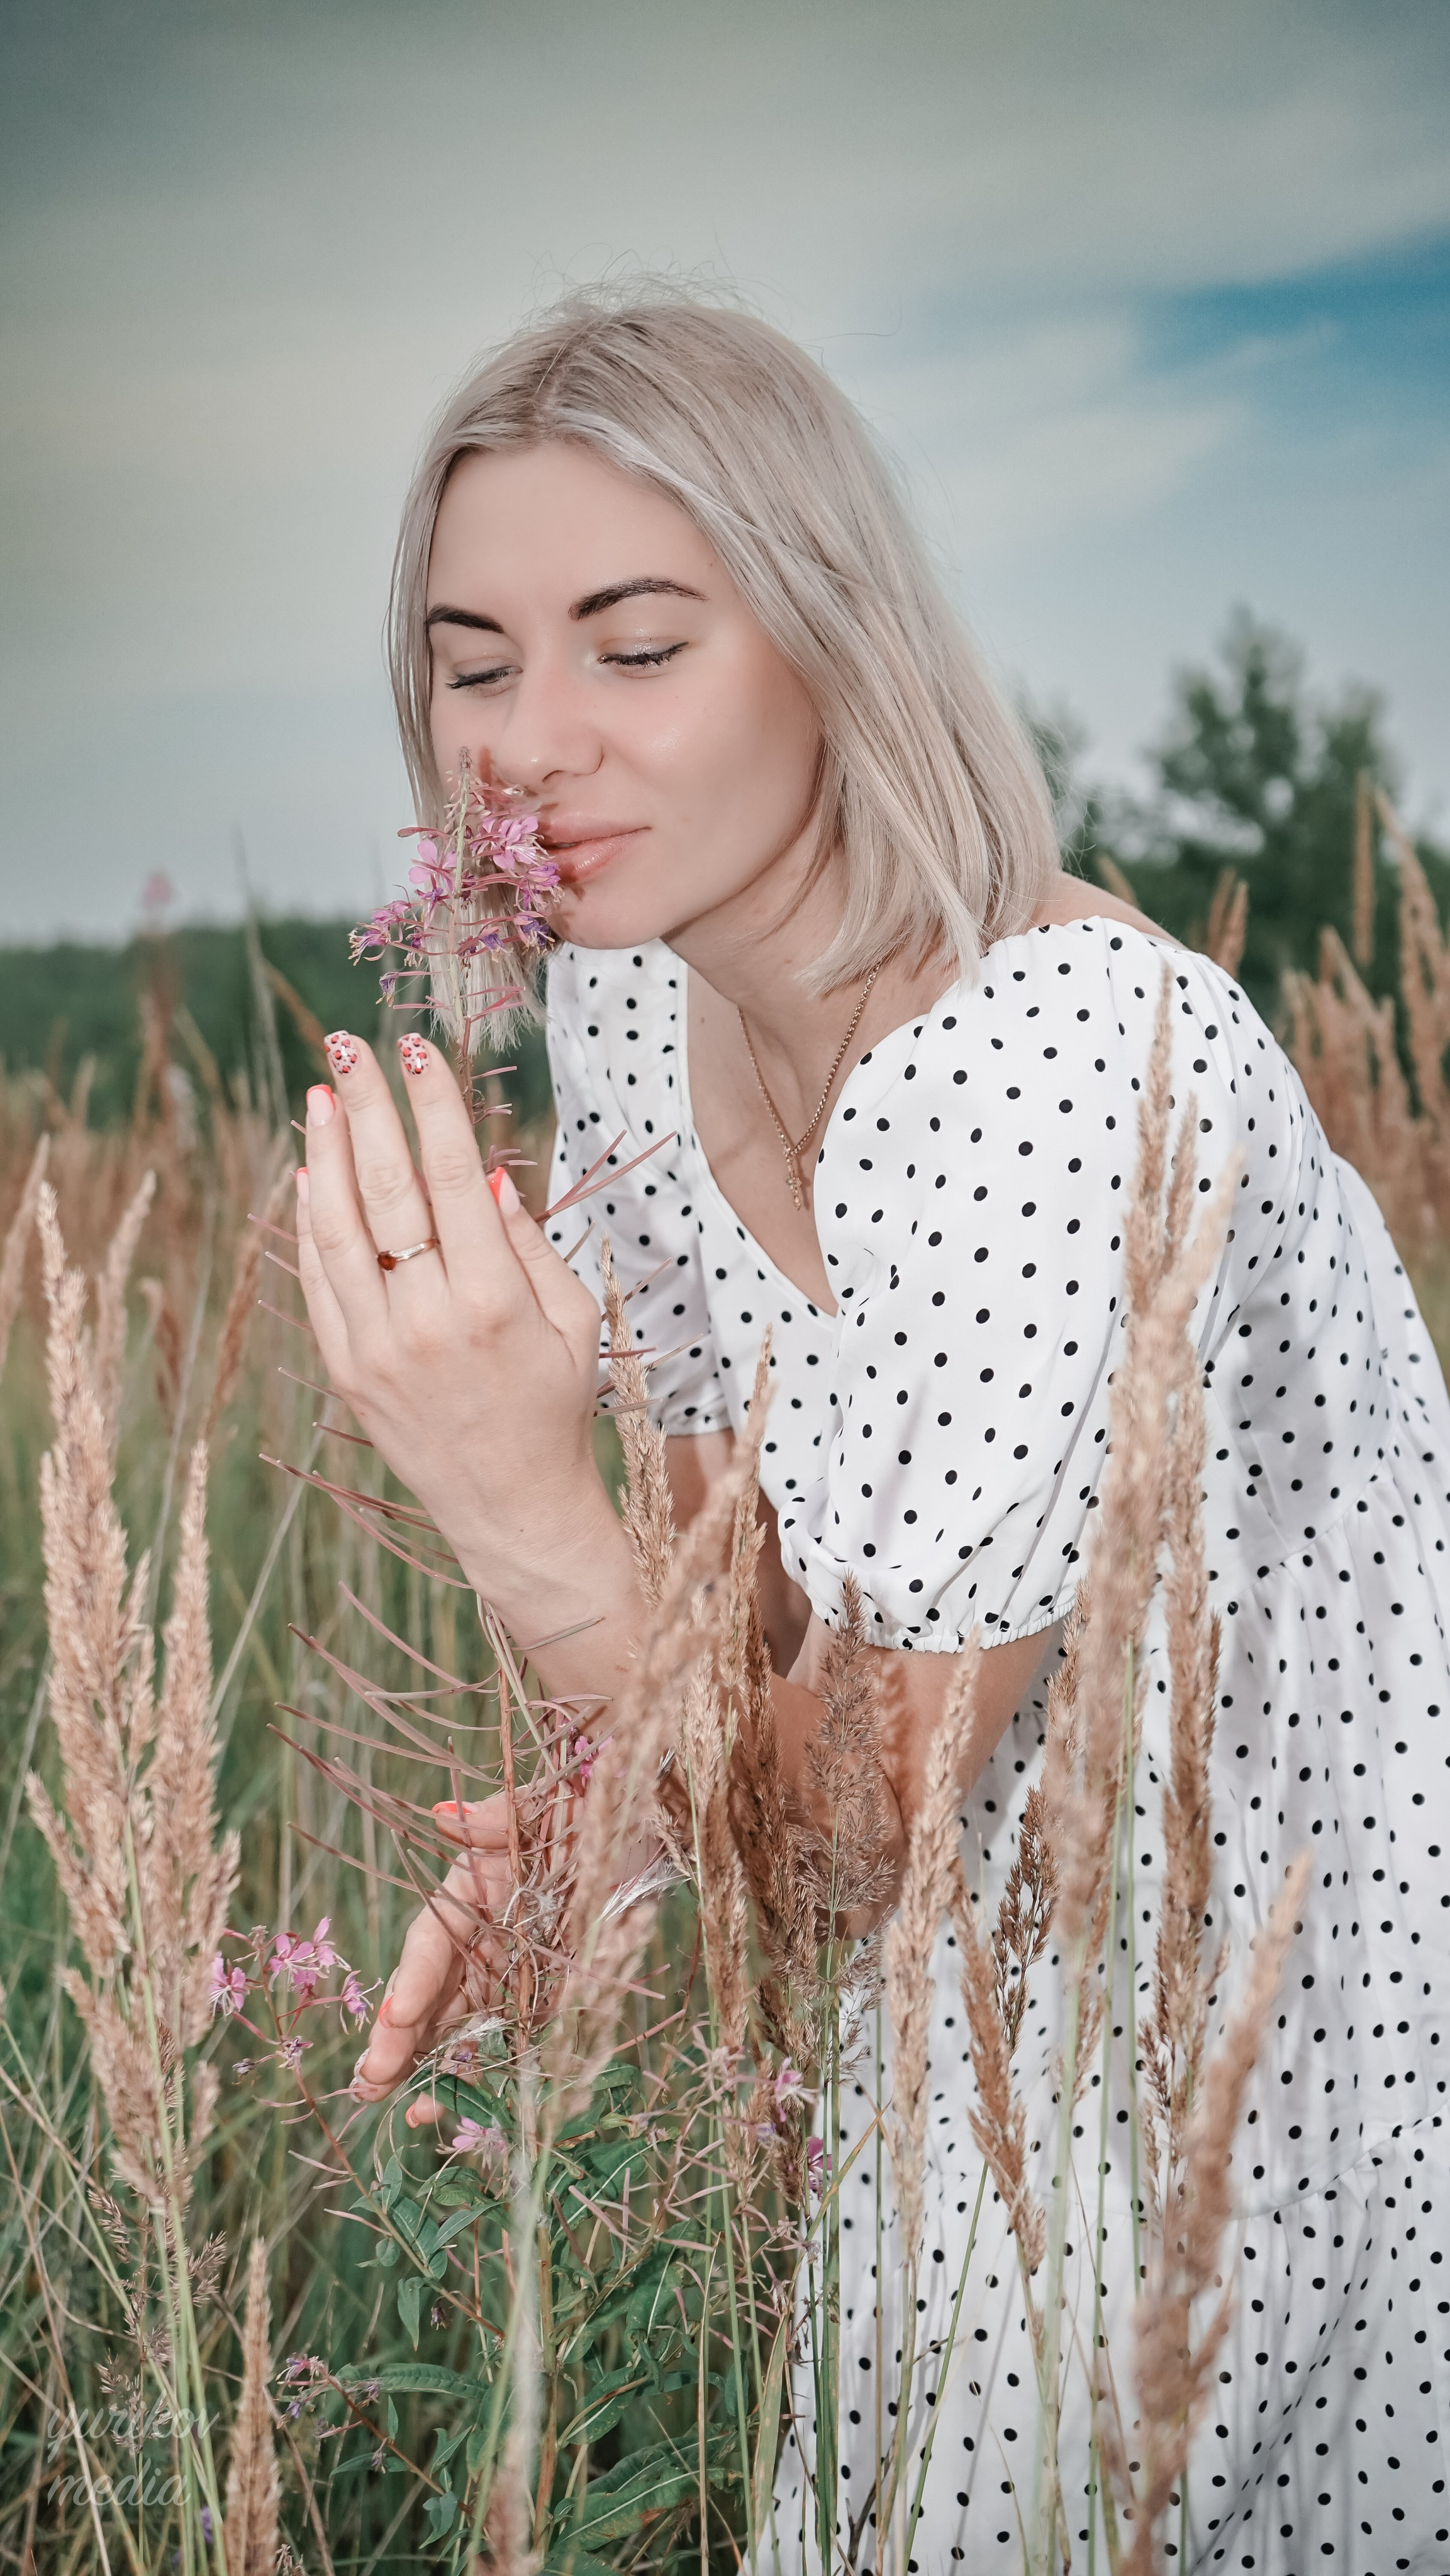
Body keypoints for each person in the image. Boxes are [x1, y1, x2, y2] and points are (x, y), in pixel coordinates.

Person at [294, 287, 1450, 2570]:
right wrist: (613, 1821)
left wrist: (516, 1504)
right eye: (471, 662)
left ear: (831, 642)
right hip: (977, 2005)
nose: (527, 745)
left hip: (1275, 2021)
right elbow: (758, 1665)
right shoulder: (633, 1010)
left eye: (638, 646)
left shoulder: (1048, 1066)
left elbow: (836, 1867)